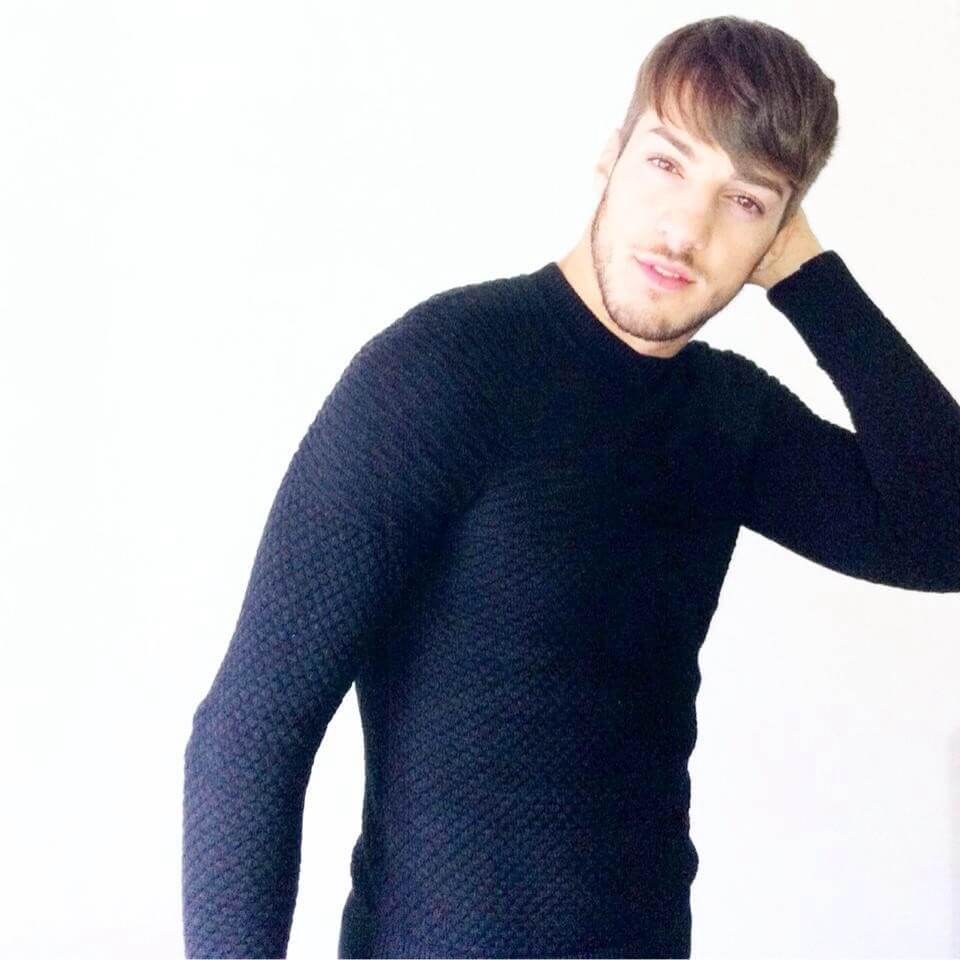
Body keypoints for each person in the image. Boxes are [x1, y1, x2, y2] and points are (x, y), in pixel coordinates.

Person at [182, 15, 960, 959]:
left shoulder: (727, 417)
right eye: (667, 164)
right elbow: (252, 730)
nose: (686, 230)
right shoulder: (445, 370)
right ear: (611, 155)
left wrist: (814, 280)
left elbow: (944, 537)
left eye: (744, 202)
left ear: (775, 235)